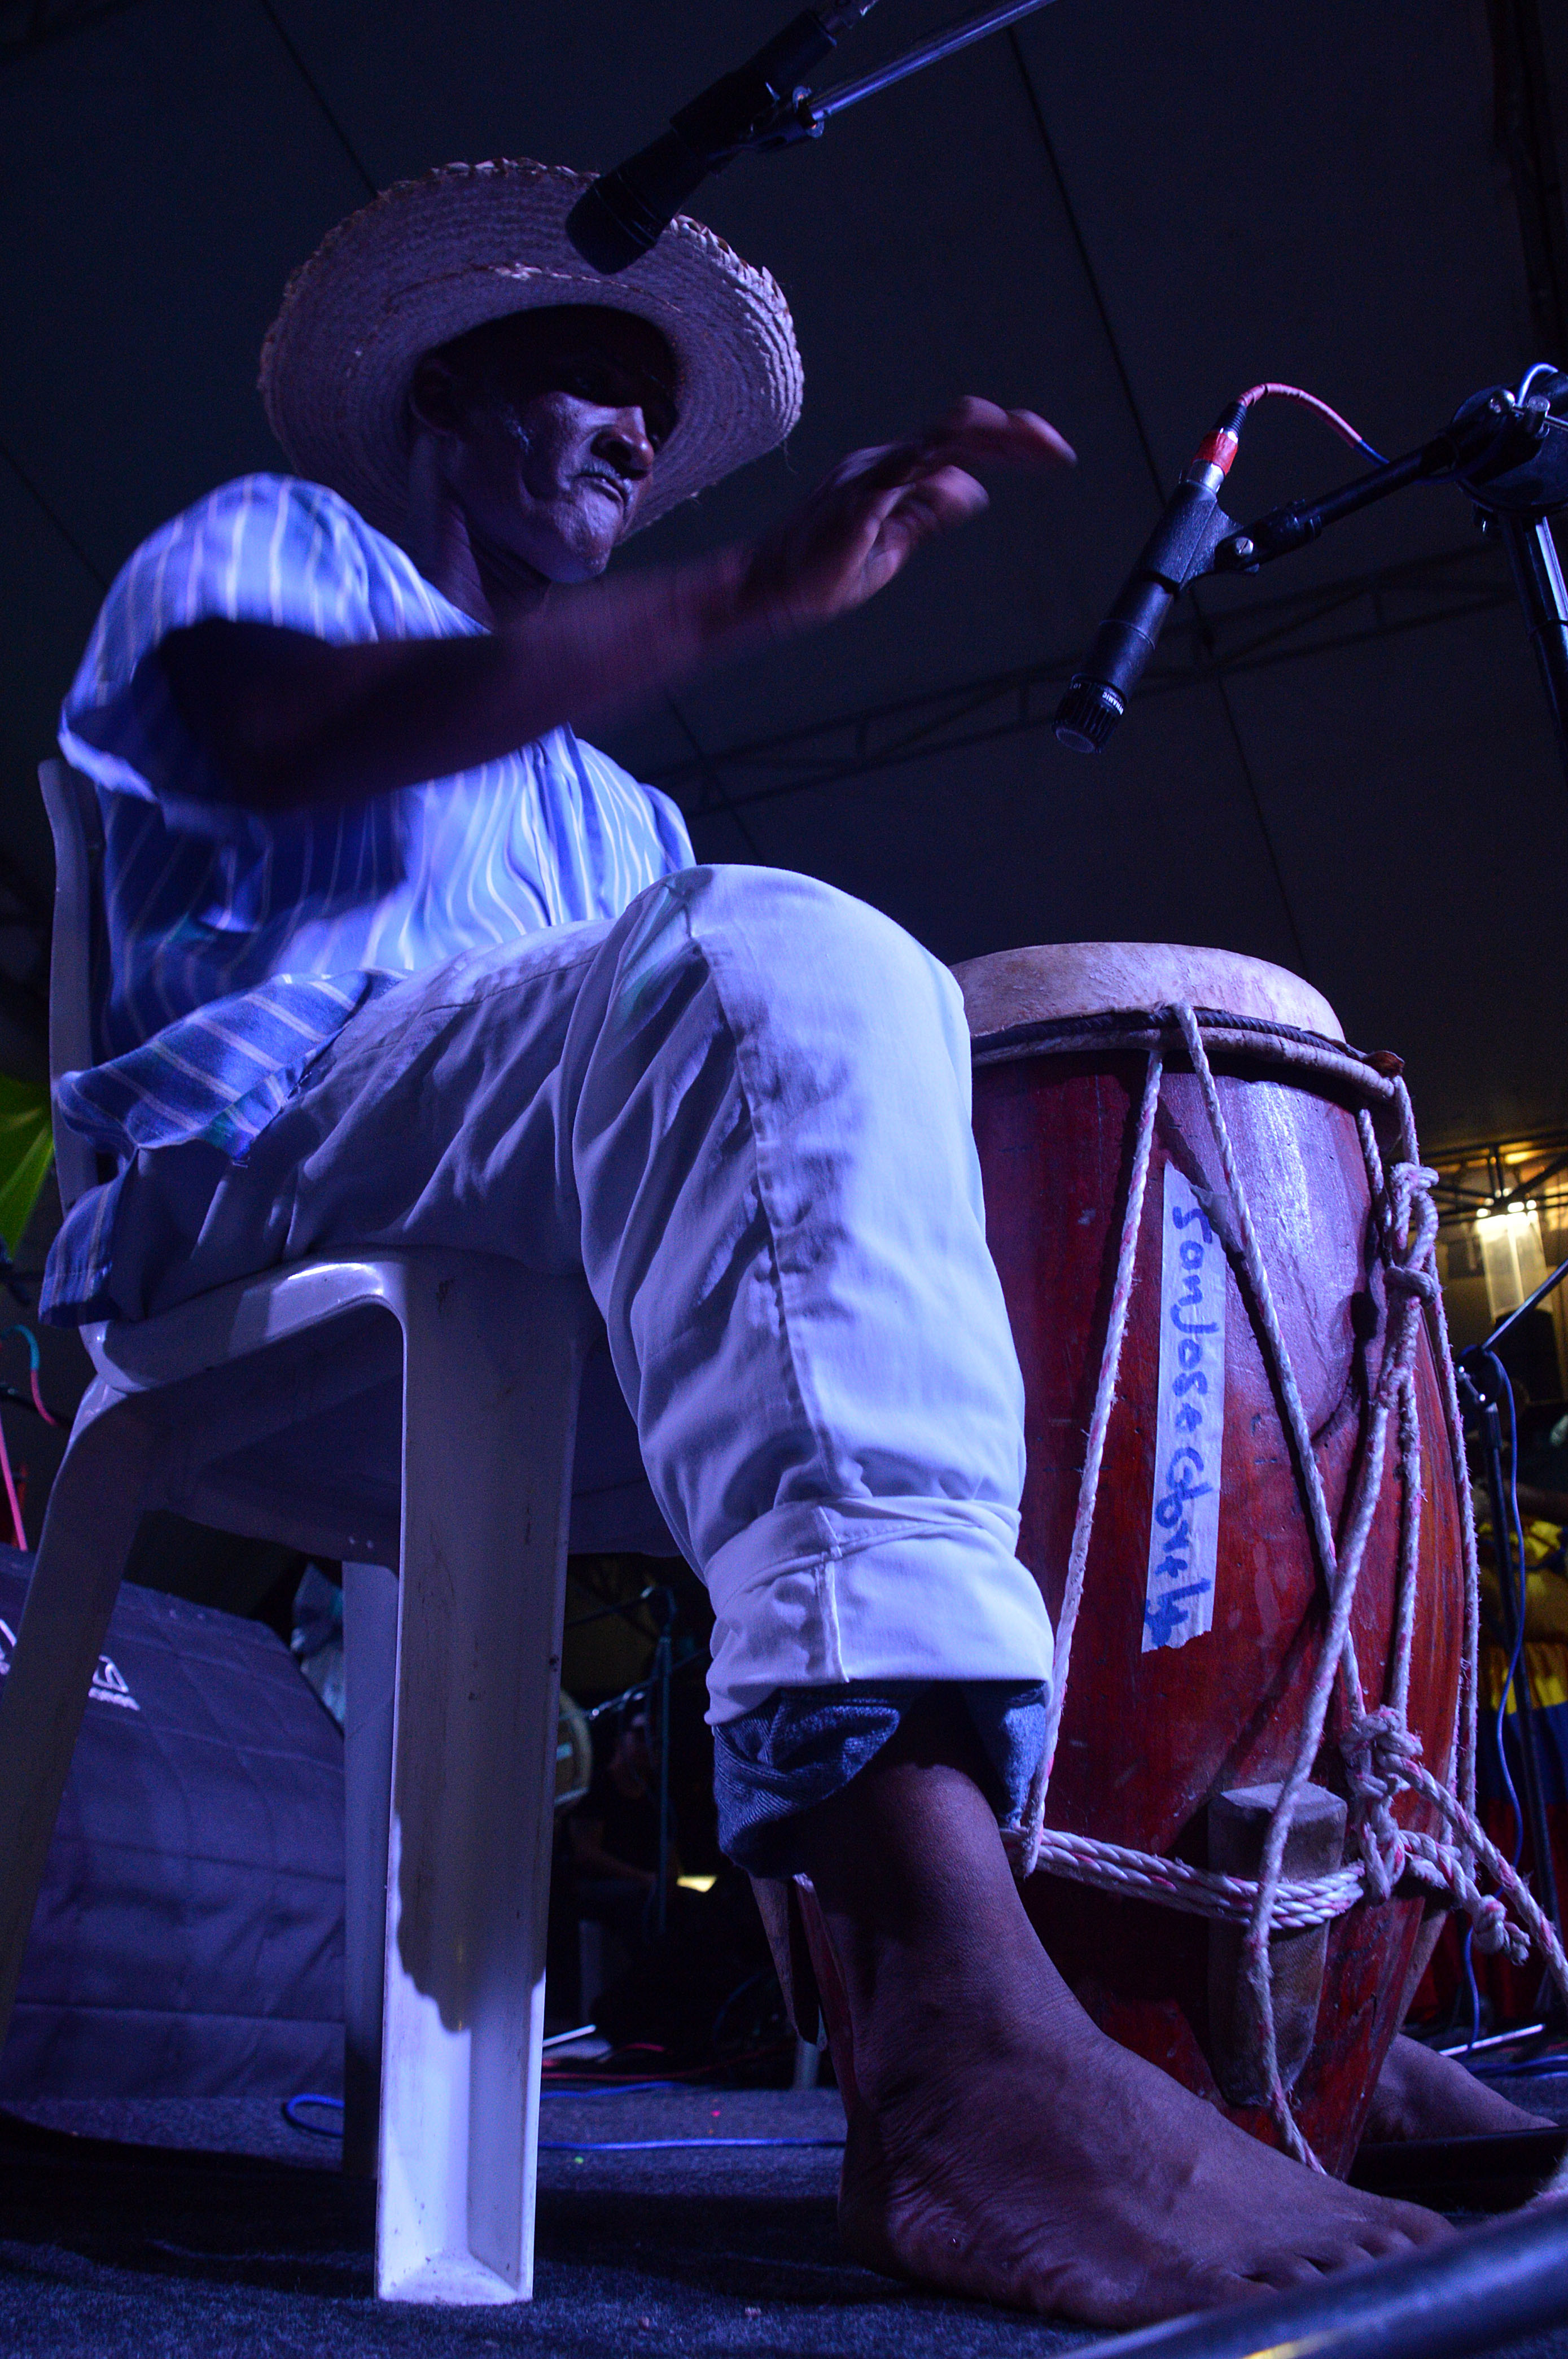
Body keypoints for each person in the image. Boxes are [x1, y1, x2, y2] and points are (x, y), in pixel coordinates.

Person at [42, 157, 1532, 2322]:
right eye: (591, 371)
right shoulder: (271, 549)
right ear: (440, 397)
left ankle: (1197, 1993)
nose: (641, 432)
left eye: (662, 407)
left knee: (975, 1233)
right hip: (253, 1189)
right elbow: (283, 730)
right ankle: (954, 2034)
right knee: (783, 964)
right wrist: (744, 597)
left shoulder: (618, 818)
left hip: (530, 1293)